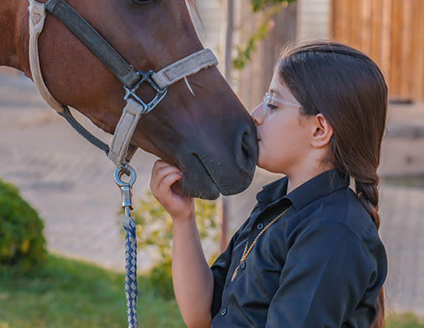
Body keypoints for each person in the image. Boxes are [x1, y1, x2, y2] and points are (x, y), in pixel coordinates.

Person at [150, 41, 388, 328]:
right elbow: (202, 317)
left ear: (319, 129)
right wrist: (183, 217)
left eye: (273, 104)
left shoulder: (333, 230)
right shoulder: (278, 206)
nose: (255, 114)